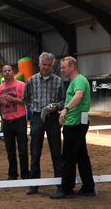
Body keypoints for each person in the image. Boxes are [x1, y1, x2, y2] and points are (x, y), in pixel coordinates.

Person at [50, 57, 95, 199]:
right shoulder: (75, 81)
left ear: (72, 67)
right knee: (82, 156)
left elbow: (79, 95)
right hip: (76, 123)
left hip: (75, 124)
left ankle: (66, 189)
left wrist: (66, 109)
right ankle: (88, 187)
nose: (61, 70)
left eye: (64, 67)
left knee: (68, 157)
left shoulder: (79, 80)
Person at [23, 52, 65, 194]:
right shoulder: (31, 80)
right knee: (35, 152)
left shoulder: (58, 81)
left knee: (56, 152)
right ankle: (34, 184)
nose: (46, 67)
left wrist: (57, 107)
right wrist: (34, 107)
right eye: (44, 64)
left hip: (53, 118)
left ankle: (60, 183)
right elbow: (25, 99)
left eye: (49, 65)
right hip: (37, 118)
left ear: (53, 65)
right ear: (39, 64)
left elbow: (63, 100)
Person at [0, 63, 28, 181]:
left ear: (13, 72)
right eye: (5, 71)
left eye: (9, 70)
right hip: (7, 122)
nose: (7, 72)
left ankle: (25, 174)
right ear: (2, 74)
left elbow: (26, 101)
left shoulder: (21, 85)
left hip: (20, 120)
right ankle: (12, 174)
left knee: (23, 149)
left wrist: (13, 99)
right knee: (10, 150)